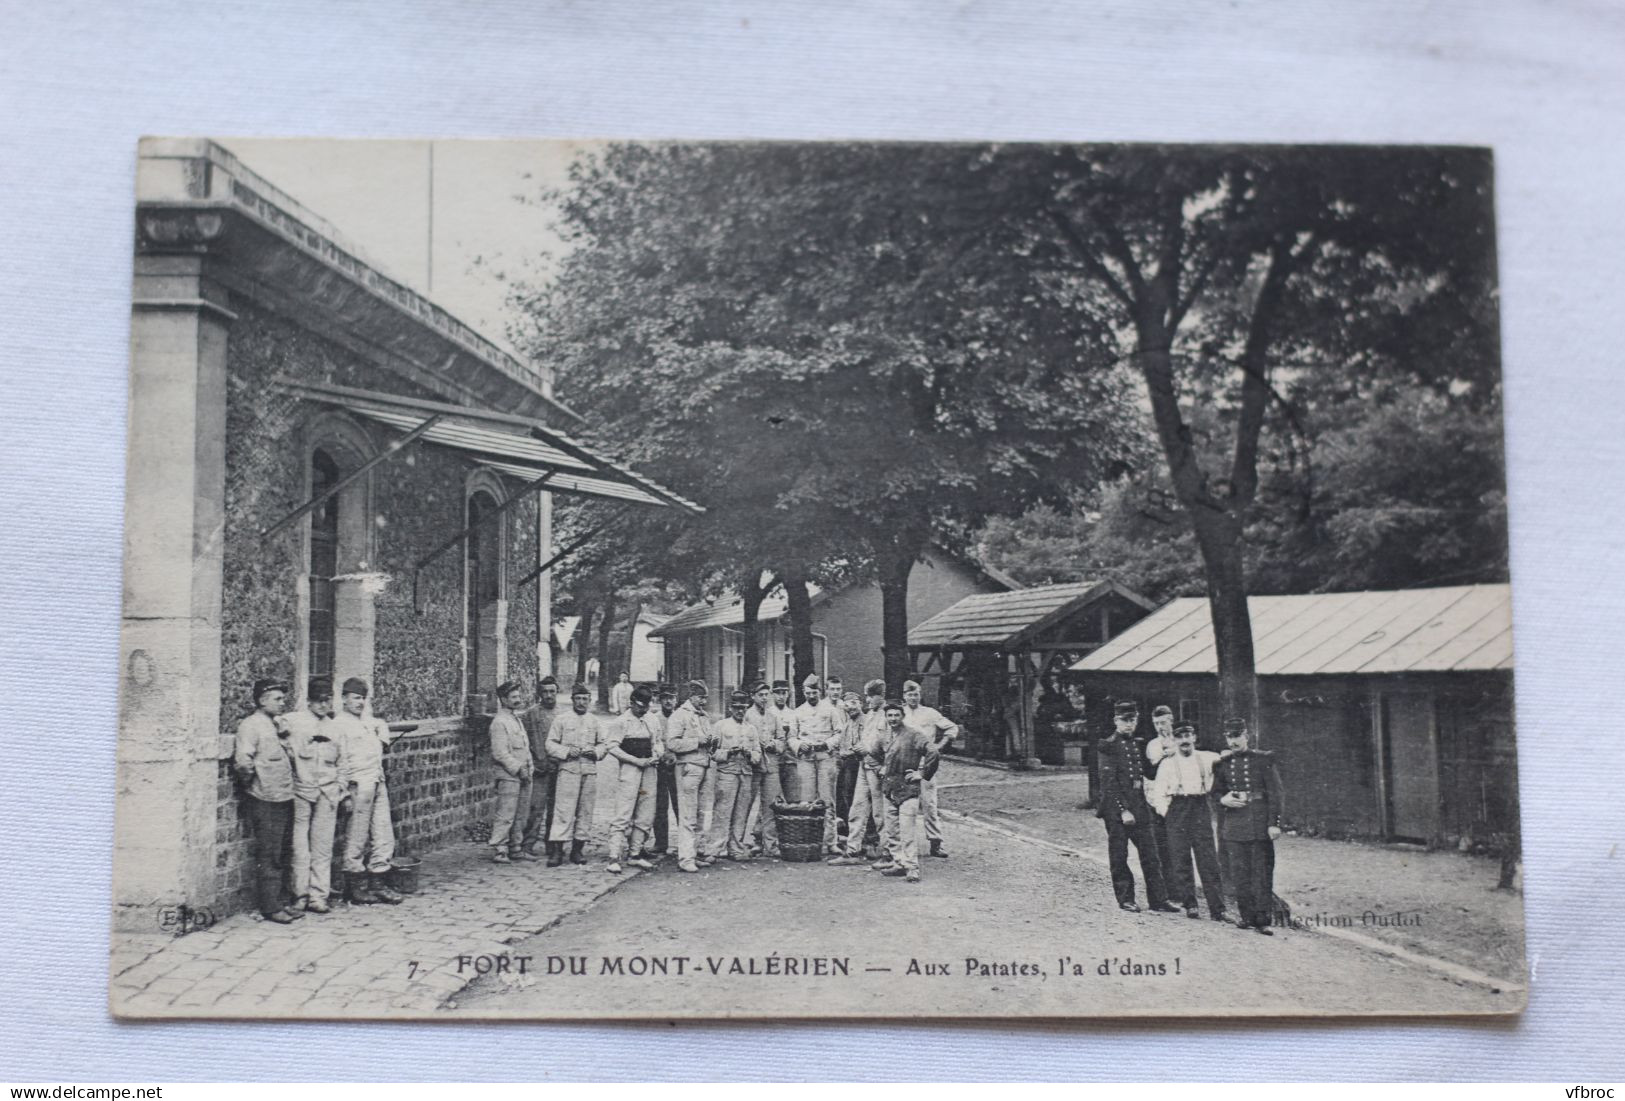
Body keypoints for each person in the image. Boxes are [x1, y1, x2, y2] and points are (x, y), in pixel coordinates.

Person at [233, 677, 301, 924]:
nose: (283, 702)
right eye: (277, 698)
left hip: (284, 795)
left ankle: (281, 901)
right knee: (269, 854)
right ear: (262, 700)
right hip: (265, 798)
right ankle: (270, 907)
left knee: (283, 851)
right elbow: (243, 762)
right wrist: (252, 787)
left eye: (283, 698)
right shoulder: (251, 725)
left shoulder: (276, 724)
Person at [1096, 700, 1176, 914]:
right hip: (1116, 810)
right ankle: (1126, 899)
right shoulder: (1108, 745)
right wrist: (1123, 809)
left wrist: (1163, 759)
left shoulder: (1137, 744)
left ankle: (1159, 899)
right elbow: (1108, 783)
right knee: (1119, 855)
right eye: (1125, 720)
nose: (1129, 724)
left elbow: (1148, 773)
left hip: (1139, 806)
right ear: (1116, 721)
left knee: (1151, 854)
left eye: (1133, 720)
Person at [331, 677, 403, 906]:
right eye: (355, 698)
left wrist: (379, 726)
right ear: (344, 699)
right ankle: (356, 886)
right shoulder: (338, 725)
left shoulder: (368, 722)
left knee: (383, 833)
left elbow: (379, 734)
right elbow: (338, 760)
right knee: (357, 836)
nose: (360, 702)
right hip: (357, 783)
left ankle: (379, 882)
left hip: (376, 780)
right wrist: (343, 793)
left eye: (363, 698)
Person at [1148, 718, 1227, 922]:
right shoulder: (1167, 764)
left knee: (1208, 859)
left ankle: (1217, 908)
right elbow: (1158, 793)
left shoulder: (1207, 758)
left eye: (1187, 736)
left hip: (1200, 807)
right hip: (1177, 809)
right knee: (1181, 859)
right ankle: (1190, 904)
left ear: (1194, 737)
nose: (1184, 740)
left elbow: (1226, 760)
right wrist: (1168, 813)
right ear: (1174, 740)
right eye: (1180, 737)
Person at [1213, 716, 1284, 935]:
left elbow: (1276, 793)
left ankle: (1263, 920)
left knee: (1261, 874)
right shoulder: (1222, 764)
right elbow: (1215, 793)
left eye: (1237, 736)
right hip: (1235, 825)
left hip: (1259, 823)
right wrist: (1222, 800)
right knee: (1240, 875)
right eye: (1229, 737)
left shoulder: (1263, 760)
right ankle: (1247, 917)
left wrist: (1274, 823)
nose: (1233, 741)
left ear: (1246, 736)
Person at [283, 676, 345, 914]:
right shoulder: (295, 722)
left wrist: (340, 788)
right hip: (302, 790)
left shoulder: (336, 728)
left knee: (322, 846)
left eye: (327, 700)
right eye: (318, 701)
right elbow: (280, 734)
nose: (323, 705)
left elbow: (344, 762)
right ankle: (299, 894)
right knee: (300, 847)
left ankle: (319, 896)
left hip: (328, 792)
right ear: (308, 701)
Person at [877, 699, 940, 884]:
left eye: (897, 715)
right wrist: (879, 768)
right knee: (892, 831)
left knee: (907, 831)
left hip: (907, 789)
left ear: (903, 716)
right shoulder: (885, 736)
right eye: (890, 715)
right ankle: (899, 863)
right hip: (889, 789)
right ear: (886, 717)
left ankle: (912, 867)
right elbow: (872, 753)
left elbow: (933, 752)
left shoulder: (913, 735)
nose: (893, 718)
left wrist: (921, 773)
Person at [604, 685, 664, 874]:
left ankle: (635, 853)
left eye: (646, 706)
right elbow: (612, 747)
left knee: (646, 811)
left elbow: (658, 741)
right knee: (624, 810)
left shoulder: (652, 720)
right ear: (631, 703)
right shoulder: (621, 722)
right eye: (639, 706)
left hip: (649, 769)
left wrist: (657, 754)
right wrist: (634, 760)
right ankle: (614, 856)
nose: (643, 709)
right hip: (630, 769)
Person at [546, 683, 606, 866]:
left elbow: (604, 744)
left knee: (585, 810)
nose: (581, 702)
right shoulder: (562, 720)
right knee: (563, 809)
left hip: (589, 770)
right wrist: (565, 751)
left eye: (585, 699)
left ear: (589, 701)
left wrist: (595, 752)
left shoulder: (595, 721)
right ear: (572, 700)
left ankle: (578, 850)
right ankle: (557, 851)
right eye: (578, 699)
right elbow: (550, 744)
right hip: (568, 770)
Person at [830, 684, 888, 866]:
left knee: (880, 813)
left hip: (877, 767)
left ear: (880, 696)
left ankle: (888, 852)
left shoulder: (889, 715)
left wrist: (871, 750)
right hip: (864, 765)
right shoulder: (870, 715)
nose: (868, 700)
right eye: (867, 696)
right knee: (857, 808)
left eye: (870, 696)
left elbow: (891, 743)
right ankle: (852, 851)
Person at [665, 680, 718, 872]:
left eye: (705, 698)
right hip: (688, 768)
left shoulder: (703, 716)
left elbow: (708, 740)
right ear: (691, 696)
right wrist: (698, 741)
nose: (704, 701)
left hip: (704, 766)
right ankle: (685, 858)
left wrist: (712, 742)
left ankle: (696, 853)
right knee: (688, 814)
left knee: (701, 814)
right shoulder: (679, 716)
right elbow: (672, 743)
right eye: (700, 697)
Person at [901, 679, 958, 859]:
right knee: (904, 806)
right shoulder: (898, 714)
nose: (913, 698)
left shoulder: (930, 713)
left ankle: (936, 843)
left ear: (920, 695)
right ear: (904, 696)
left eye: (916, 694)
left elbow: (951, 727)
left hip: (926, 763)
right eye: (909, 694)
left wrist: (938, 746)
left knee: (929, 804)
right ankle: (902, 846)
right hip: (904, 764)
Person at [710, 691, 763, 860]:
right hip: (727, 773)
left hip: (745, 773)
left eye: (743, 708)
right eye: (737, 708)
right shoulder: (721, 726)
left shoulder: (751, 729)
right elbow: (712, 753)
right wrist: (728, 753)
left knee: (741, 812)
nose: (740, 711)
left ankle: (736, 848)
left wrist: (749, 755)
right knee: (722, 812)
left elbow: (758, 754)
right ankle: (715, 849)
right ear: (730, 708)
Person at [488, 680, 535, 864]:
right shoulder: (499, 722)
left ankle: (516, 847)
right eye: (513, 697)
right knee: (506, 813)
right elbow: (499, 752)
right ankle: (500, 849)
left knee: (521, 813)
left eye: (518, 696)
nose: (518, 700)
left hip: (523, 773)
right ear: (503, 699)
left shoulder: (515, 720)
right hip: (508, 775)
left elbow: (524, 747)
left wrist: (528, 768)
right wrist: (517, 768)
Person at [792, 675, 840, 853]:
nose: (811, 696)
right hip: (806, 758)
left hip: (825, 757)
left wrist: (827, 744)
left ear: (820, 692)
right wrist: (799, 745)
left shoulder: (830, 710)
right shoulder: (798, 712)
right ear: (804, 693)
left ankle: (830, 842)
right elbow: (791, 737)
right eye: (808, 692)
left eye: (814, 692)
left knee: (827, 799)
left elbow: (839, 733)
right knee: (807, 800)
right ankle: (808, 840)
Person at [519, 676, 561, 858]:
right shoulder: (530, 714)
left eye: (552, 691)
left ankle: (552, 845)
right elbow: (523, 741)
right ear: (539, 694)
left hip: (559, 768)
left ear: (557, 692)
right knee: (535, 808)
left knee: (556, 808)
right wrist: (535, 761)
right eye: (545, 692)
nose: (549, 695)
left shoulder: (563, 715)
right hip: (539, 769)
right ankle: (527, 844)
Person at [743, 681, 785, 857]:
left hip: (771, 766)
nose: (765, 698)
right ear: (753, 696)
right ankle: (736, 843)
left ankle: (770, 844)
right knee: (744, 804)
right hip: (752, 766)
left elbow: (782, 739)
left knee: (770, 805)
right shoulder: (746, 715)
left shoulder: (773, 716)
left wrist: (774, 744)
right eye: (761, 695)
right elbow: (742, 738)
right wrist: (756, 747)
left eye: (767, 695)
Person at [1141, 704, 1178, 889]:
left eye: (1163, 722)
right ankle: (1169, 887)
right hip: (1159, 799)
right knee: (1163, 843)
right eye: (1156, 723)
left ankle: (1184, 885)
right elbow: (1152, 773)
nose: (1160, 727)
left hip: (1179, 797)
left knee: (1179, 843)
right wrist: (1165, 755)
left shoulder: (1181, 741)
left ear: (1171, 720)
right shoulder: (1152, 745)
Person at [647, 684, 680, 858]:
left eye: (671, 697)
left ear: (676, 699)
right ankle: (661, 842)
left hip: (678, 766)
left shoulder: (681, 717)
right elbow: (651, 742)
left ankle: (685, 843)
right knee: (659, 805)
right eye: (665, 698)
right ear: (660, 700)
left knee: (680, 804)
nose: (668, 701)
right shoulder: (654, 719)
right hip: (659, 767)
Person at [833, 687, 863, 846]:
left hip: (859, 763)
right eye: (847, 704)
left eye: (853, 703)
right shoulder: (846, 724)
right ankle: (847, 833)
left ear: (860, 704)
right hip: (846, 764)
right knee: (844, 796)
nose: (850, 707)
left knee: (856, 799)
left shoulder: (865, 722)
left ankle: (861, 837)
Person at [769, 679, 801, 802]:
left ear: (788, 694)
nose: (781, 696)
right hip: (773, 762)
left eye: (784, 693)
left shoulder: (794, 714)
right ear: (772, 694)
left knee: (793, 798)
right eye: (778, 693)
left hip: (790, 761)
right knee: (772, 800)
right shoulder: (768, 713)